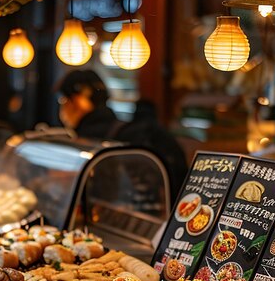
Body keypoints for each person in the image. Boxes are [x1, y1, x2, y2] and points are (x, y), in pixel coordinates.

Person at [56, 70, 188, 202]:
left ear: (79, 100)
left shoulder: (91, 137)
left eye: (63, 100)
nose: (62, 108)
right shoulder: (121, 129)